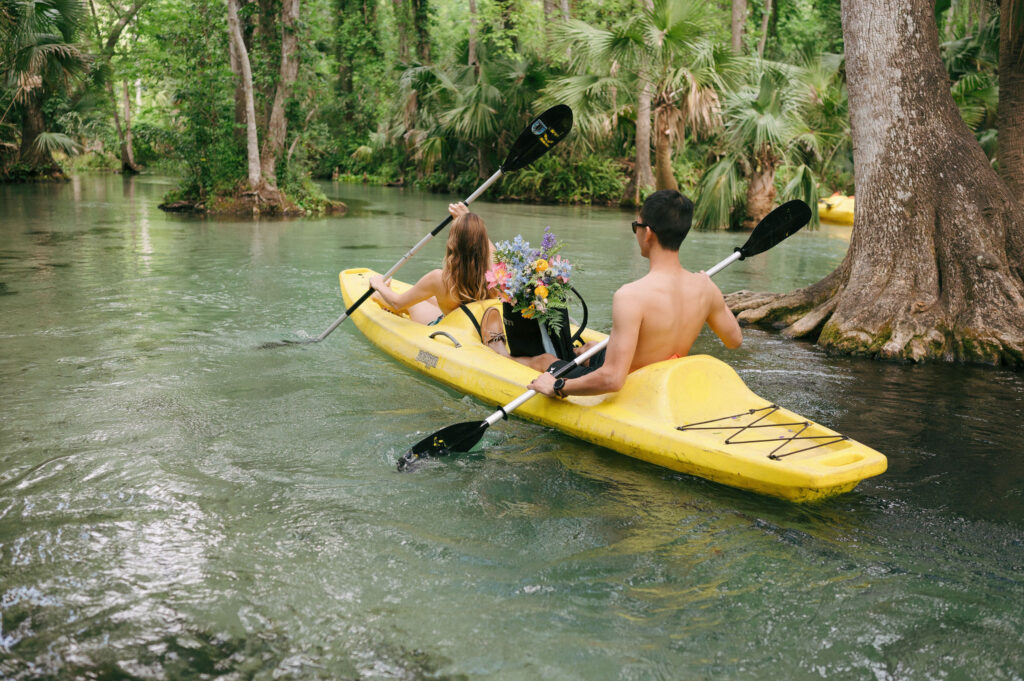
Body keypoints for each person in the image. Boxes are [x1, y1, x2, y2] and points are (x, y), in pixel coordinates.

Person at [518, 189, 742, 398]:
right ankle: (586, 353)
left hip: (632, 388)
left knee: (545, 360)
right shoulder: (706, 287)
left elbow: (613, 379)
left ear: (647, 233)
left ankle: (501, 354)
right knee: (590, 349)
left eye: (637, 225)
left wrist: (558, 386)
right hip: (661, 378)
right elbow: (734, 340)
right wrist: (712, 291)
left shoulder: (631, 296)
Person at [369, 203, 495, 325]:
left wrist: (379, 284)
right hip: (472, 327)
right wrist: (469, 221)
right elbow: (489, 249)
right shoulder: (497, 275)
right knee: (427, 297)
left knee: (413, 304)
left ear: (453, 243)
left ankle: (379, 297)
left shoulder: (439, 278)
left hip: (448, 329)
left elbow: (397, 302)